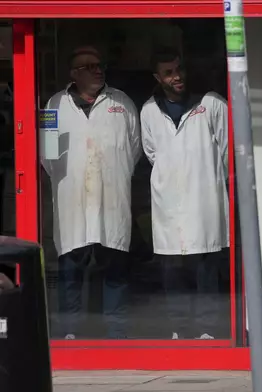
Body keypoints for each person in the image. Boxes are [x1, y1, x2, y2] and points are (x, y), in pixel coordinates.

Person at [42, 45, 141, 339]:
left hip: (112, 199)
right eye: (90, 66)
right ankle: (70, 333)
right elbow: (47, 156)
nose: (98, 70)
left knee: (115, 271)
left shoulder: (121, 103)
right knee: (71, 269)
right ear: (74, 74)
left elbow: (134, 149)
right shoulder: (54, 105)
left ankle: (116, 333)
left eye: (100, 65)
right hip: (72, 199)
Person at [140, 47, 230, 340]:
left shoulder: (212, 104)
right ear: (158, 77)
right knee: (172, 271)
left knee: (205, 270)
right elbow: (152, 153)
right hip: (169, 205)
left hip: (204, 201)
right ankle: (179, 328)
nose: (176, 76)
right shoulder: (149, 110)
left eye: (178, 69)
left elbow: (229, 152)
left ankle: (208, 329)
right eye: (168, 72)